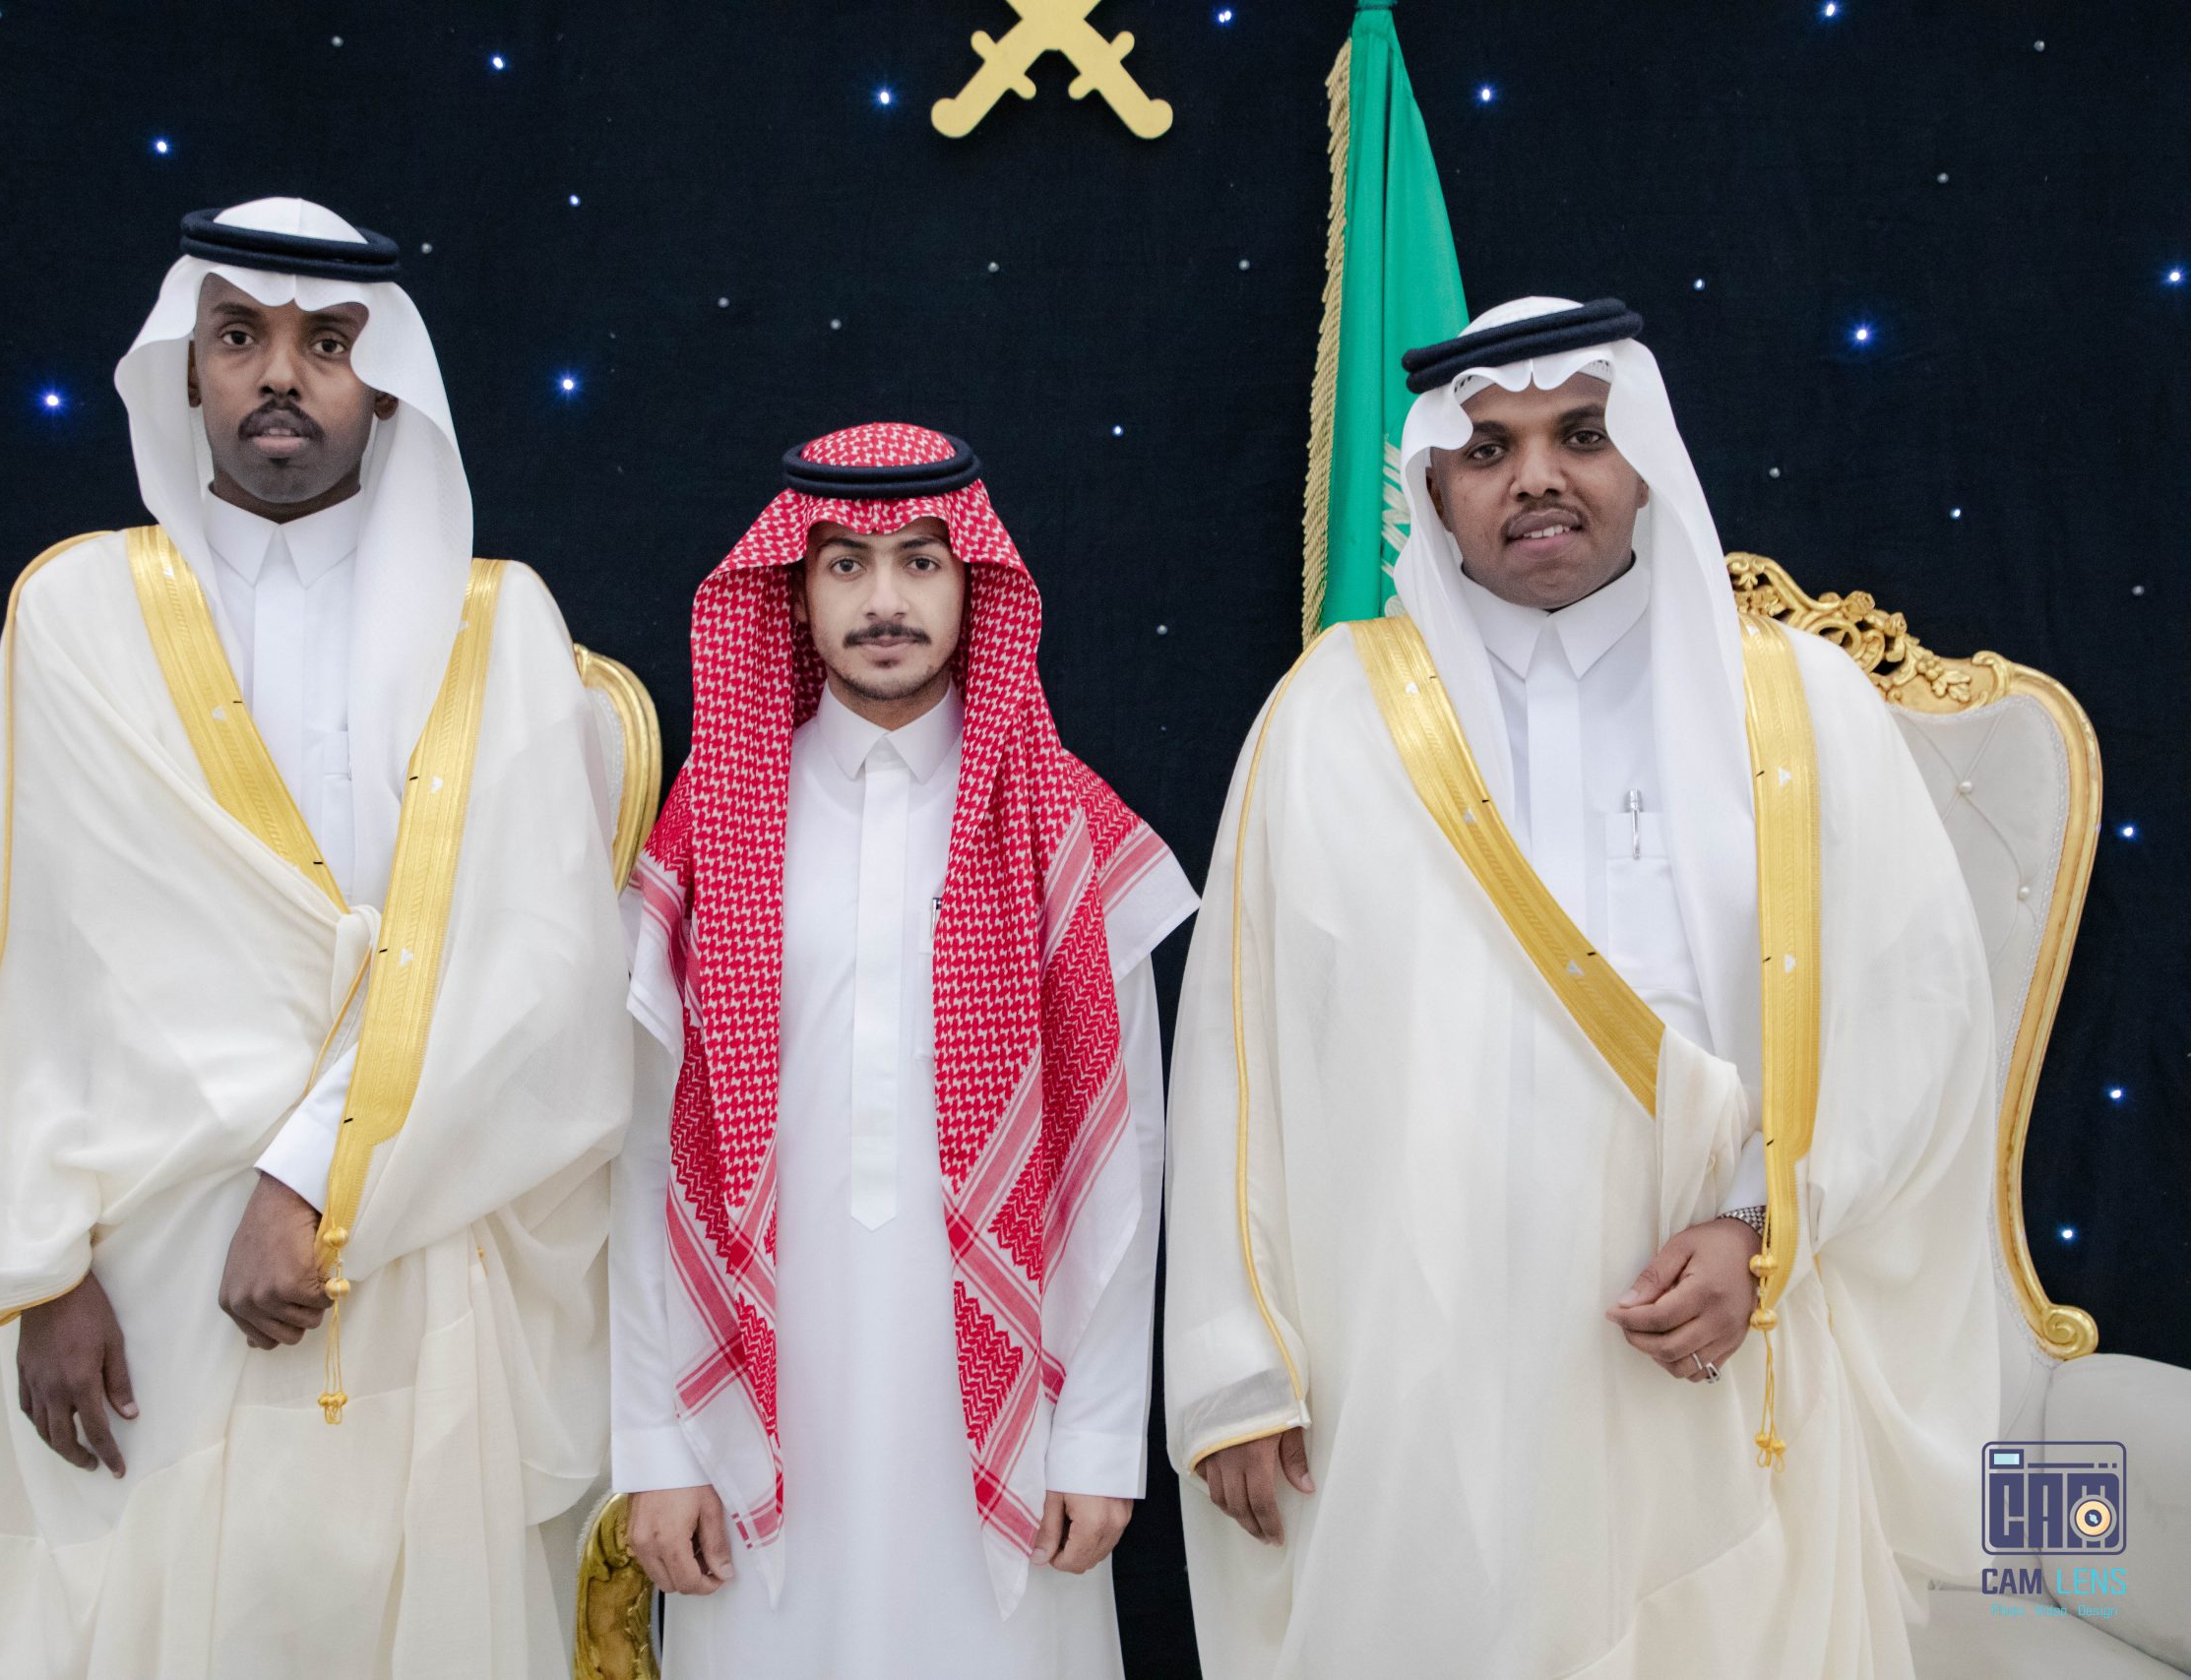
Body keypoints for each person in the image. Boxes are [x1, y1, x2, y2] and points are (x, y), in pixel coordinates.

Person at [1164, 297, 2000, 1678]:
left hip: (1709, 1330)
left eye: (1583, 435)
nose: (1537, 476)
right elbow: (1238, 1056)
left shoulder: (1800, 705)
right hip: (1415, 1346)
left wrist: (1761, 1231)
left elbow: (1916, 1021)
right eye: (1488, 448)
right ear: (1434, 488)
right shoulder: (1331, 716)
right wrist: (1235, 1364)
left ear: (1646, 460)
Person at [0, 198, 633, 1678]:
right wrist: (40, 1273)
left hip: (408, 1220)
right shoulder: (73, 611)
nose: (278, 376)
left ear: (387, 385)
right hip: (135, 1263)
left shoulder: (497, 626)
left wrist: (314, 1179)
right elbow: (24, 963)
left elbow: (533, 963)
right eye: (239, 336)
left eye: (328, 344)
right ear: (183, 369)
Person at [612, 423, 1197, 1678]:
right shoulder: (710, 824)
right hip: (758, 1403)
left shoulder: (1064, 825)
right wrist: (657, 1444)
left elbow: (1126, 1153)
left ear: (974, 584)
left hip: (1010, 1411)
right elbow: (647, 1158)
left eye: (921, 561)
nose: (885, 600)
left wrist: (1098, 1437)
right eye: (846, 564)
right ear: (793, 592)